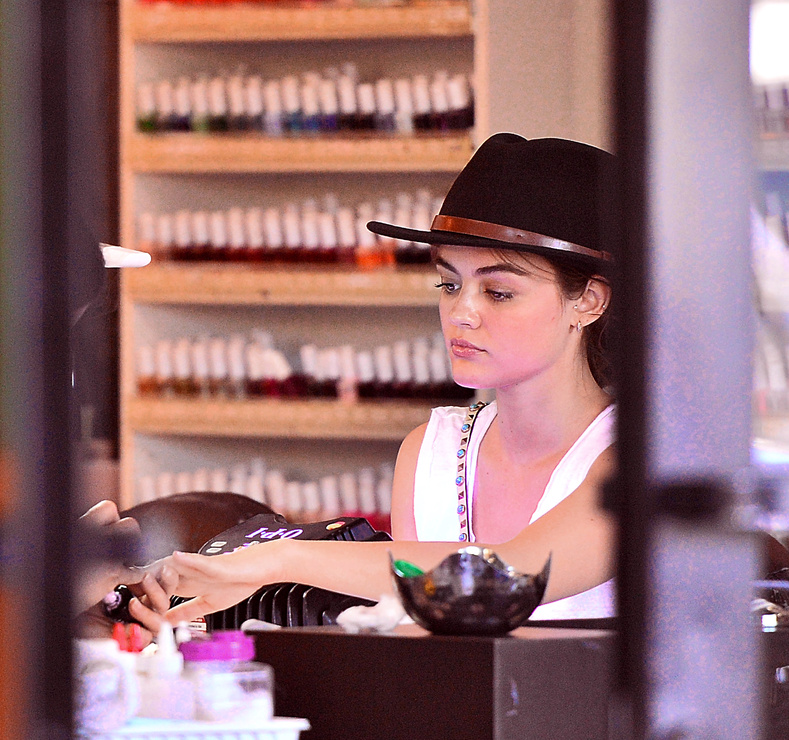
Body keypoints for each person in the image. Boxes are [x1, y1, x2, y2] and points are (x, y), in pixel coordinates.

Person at [158, 133, 620, 624]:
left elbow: (504, 575)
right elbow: (421, 618)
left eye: (498, 292)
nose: (461, 313)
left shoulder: (636, 462)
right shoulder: (430, 453)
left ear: (589, 301)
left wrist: (278, 560)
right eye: (449, 284)